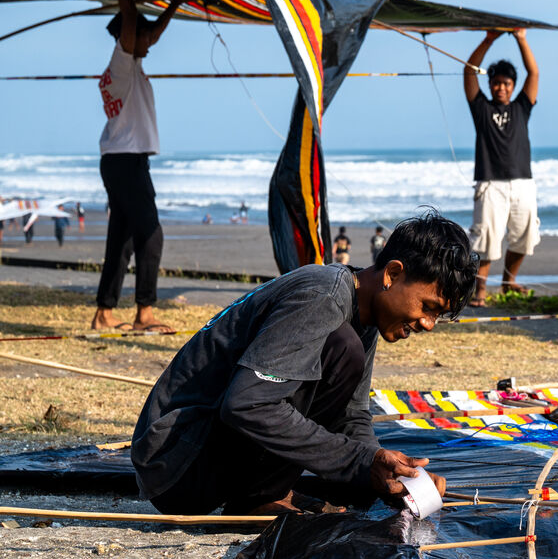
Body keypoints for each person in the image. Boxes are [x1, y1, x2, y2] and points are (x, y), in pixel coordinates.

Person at [131, 211, 476, 516]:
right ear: (393, 274)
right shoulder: (323, 296)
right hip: (176, 465)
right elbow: (247, 405)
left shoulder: (365, 311)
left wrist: (388, 473)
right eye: (428, 307)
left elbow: (351, 414)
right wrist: (360, 462)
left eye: (438, 315)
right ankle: (260, 496)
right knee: (343, 348)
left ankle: (264, 489)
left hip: (196, 456)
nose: (428, 324)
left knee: (346, 351)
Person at [92, 0, 186, 334]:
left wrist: (176, 2)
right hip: (126, 161)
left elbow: (150, 33)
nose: (150, 40)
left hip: (122, 161)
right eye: (142, 35)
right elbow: (131, 19)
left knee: (123, 240)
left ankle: (104, 312)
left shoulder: (129, 67)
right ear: (128, 38)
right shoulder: (122, 65)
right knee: (151, 234)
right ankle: (144, 313)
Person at [463, 29, 541, 305]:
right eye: (496, 83)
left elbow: (533, 73)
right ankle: (481, 290)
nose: (501, 88)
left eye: (506, 84)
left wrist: (521, 39)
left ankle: (509, 282)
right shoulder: (481, 109)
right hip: (490, 182)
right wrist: (489, 39)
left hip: (522, 183)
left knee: (525, 237)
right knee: (486, 238)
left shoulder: (521, 107)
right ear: (491, 84)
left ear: (513, 85)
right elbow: (469, 71)